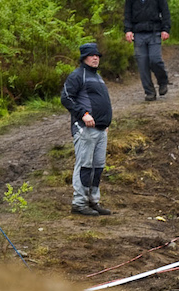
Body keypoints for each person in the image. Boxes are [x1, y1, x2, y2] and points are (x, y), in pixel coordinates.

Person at [60, 43, 114, 217]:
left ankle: (93, 201)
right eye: (92, 55)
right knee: (84, 165)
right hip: (84, 129)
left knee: (98, 166)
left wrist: (105, 124)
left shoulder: (97, 77)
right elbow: (66, 97)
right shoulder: (78, 75)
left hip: (100, 129)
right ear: (84, 57)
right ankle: (79, 203)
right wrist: (83, 114)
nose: (96, 57)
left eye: (97, 55)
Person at [124, 0, 171, 102]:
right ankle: (149, 92)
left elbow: (165, 12)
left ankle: (163, 81)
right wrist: (128, 30)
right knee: (142, 64)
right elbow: (127, 14)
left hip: (154, 31)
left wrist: (166, 29)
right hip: (138, 33)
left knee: (155, 59)